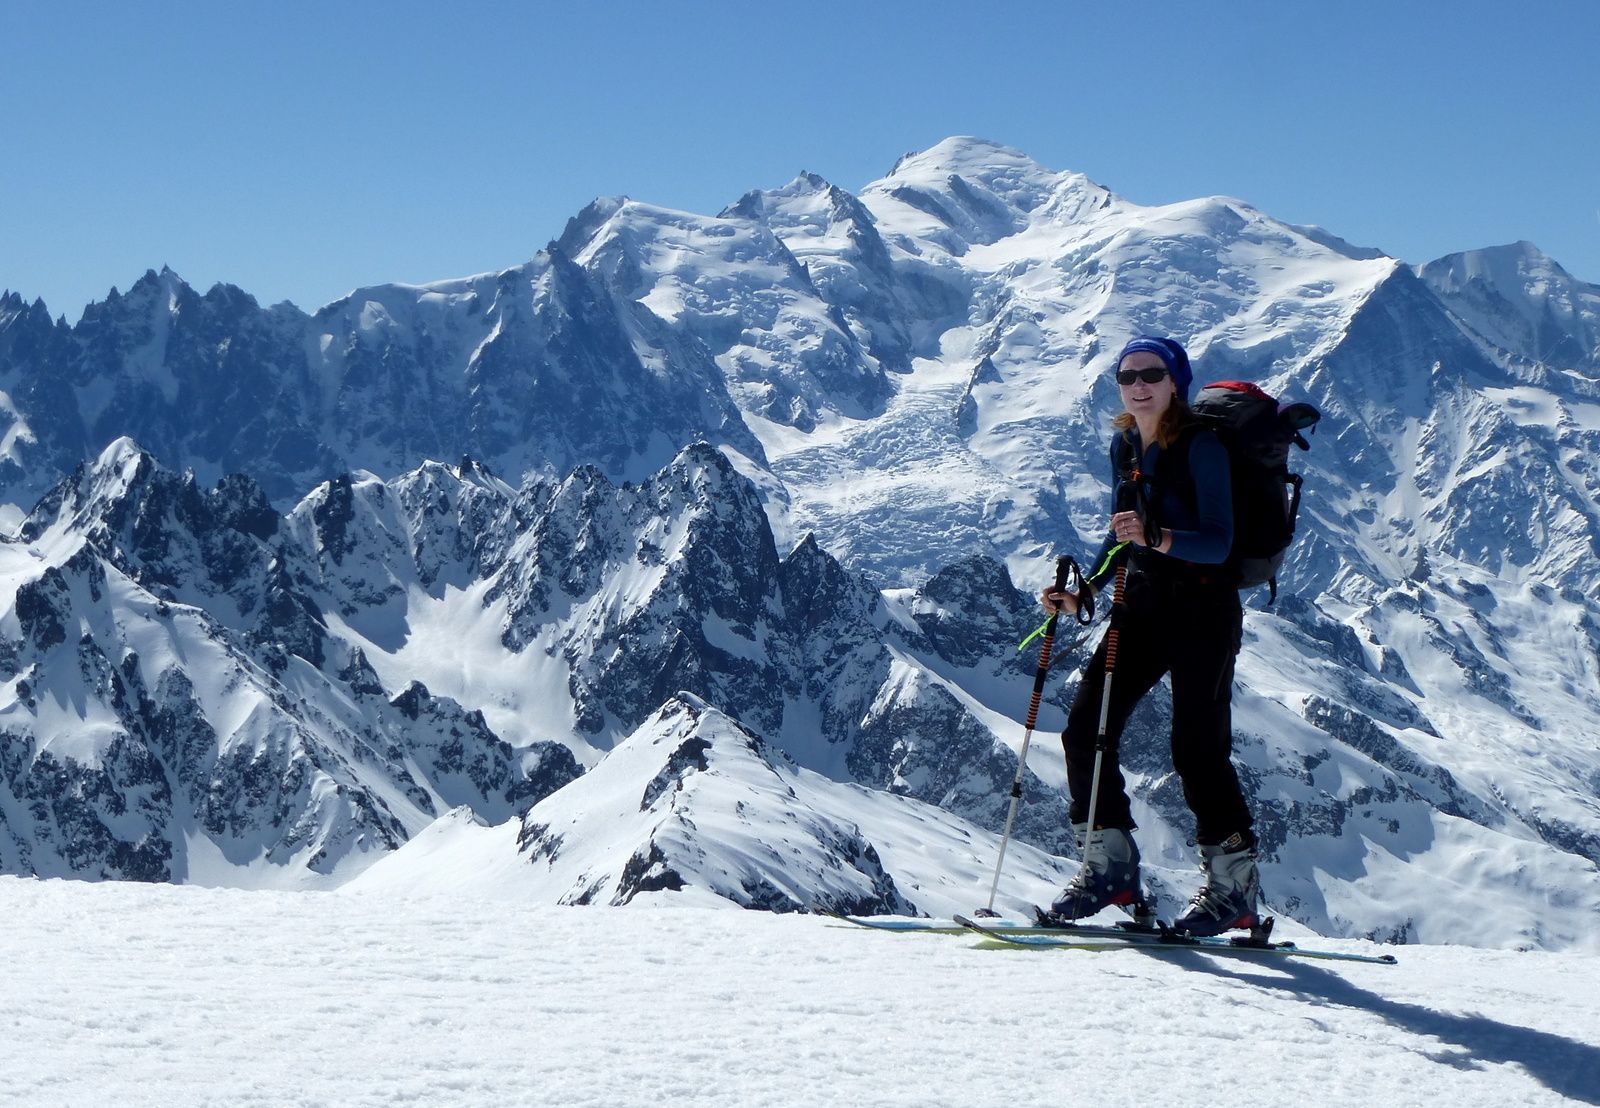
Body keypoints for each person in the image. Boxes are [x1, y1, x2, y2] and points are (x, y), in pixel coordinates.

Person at [1039, 335, 1261, 937]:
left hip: (1203, 611)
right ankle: (1109, 870)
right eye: (1128, 376)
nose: (1139, 385)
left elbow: (1219, 541)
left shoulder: (1204, 446)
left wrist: (1155, 539)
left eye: (1152, 374)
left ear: (1176, 382)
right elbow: (1120, 535)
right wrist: (1084, 590)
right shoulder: (1126, 444)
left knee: (1197, 750)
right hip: (1141, 607)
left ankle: (1233, 888)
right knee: (1085, 729)